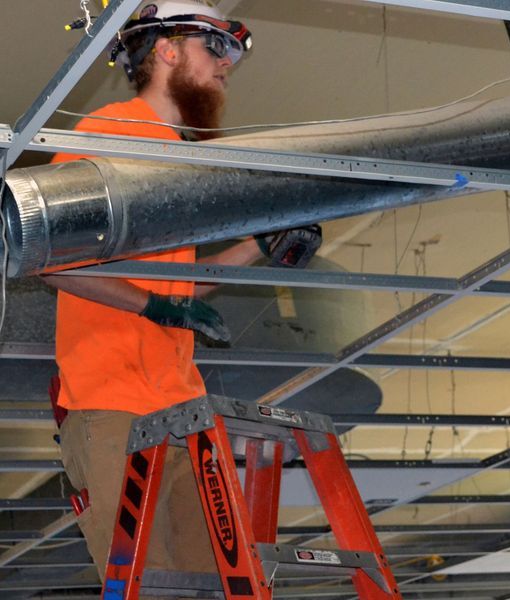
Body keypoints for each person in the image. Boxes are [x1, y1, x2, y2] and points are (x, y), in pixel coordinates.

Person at [42, 0, 264, 580]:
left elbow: (176, 294)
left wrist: (259, 247)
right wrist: (157, 306)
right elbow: (47, 262)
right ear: (167, 52)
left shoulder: (180, 158)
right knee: (148, 584)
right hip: (109, 401)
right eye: (213, 49)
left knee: (217, 580)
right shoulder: (109, 133)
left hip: (181, 403)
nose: (226, 67)